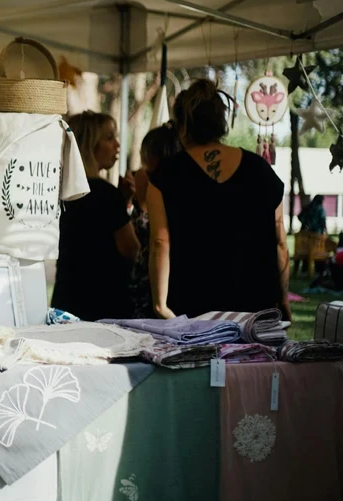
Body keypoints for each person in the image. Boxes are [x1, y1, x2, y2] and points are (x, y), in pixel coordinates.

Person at [147, 79, 291, 320]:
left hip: (190, 310)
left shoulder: (166, 175)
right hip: (253, 310)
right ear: (220, 122)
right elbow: (280, 242)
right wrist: (284, 301)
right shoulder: (261, 171)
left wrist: (160, 305)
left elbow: (160, 241)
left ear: (183, 126)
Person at [52, 111, 139, 321]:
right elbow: (131, 249)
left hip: (67, 300)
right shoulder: (106, 194)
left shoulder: (59, 191)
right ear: (90, 145)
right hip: (105, 304)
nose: (117, 145)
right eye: (109, 138)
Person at [128, 122, 183, 318]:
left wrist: (142, 203)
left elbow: (151, 237)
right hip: (149, 282)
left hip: (158, 282)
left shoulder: (161, 186)